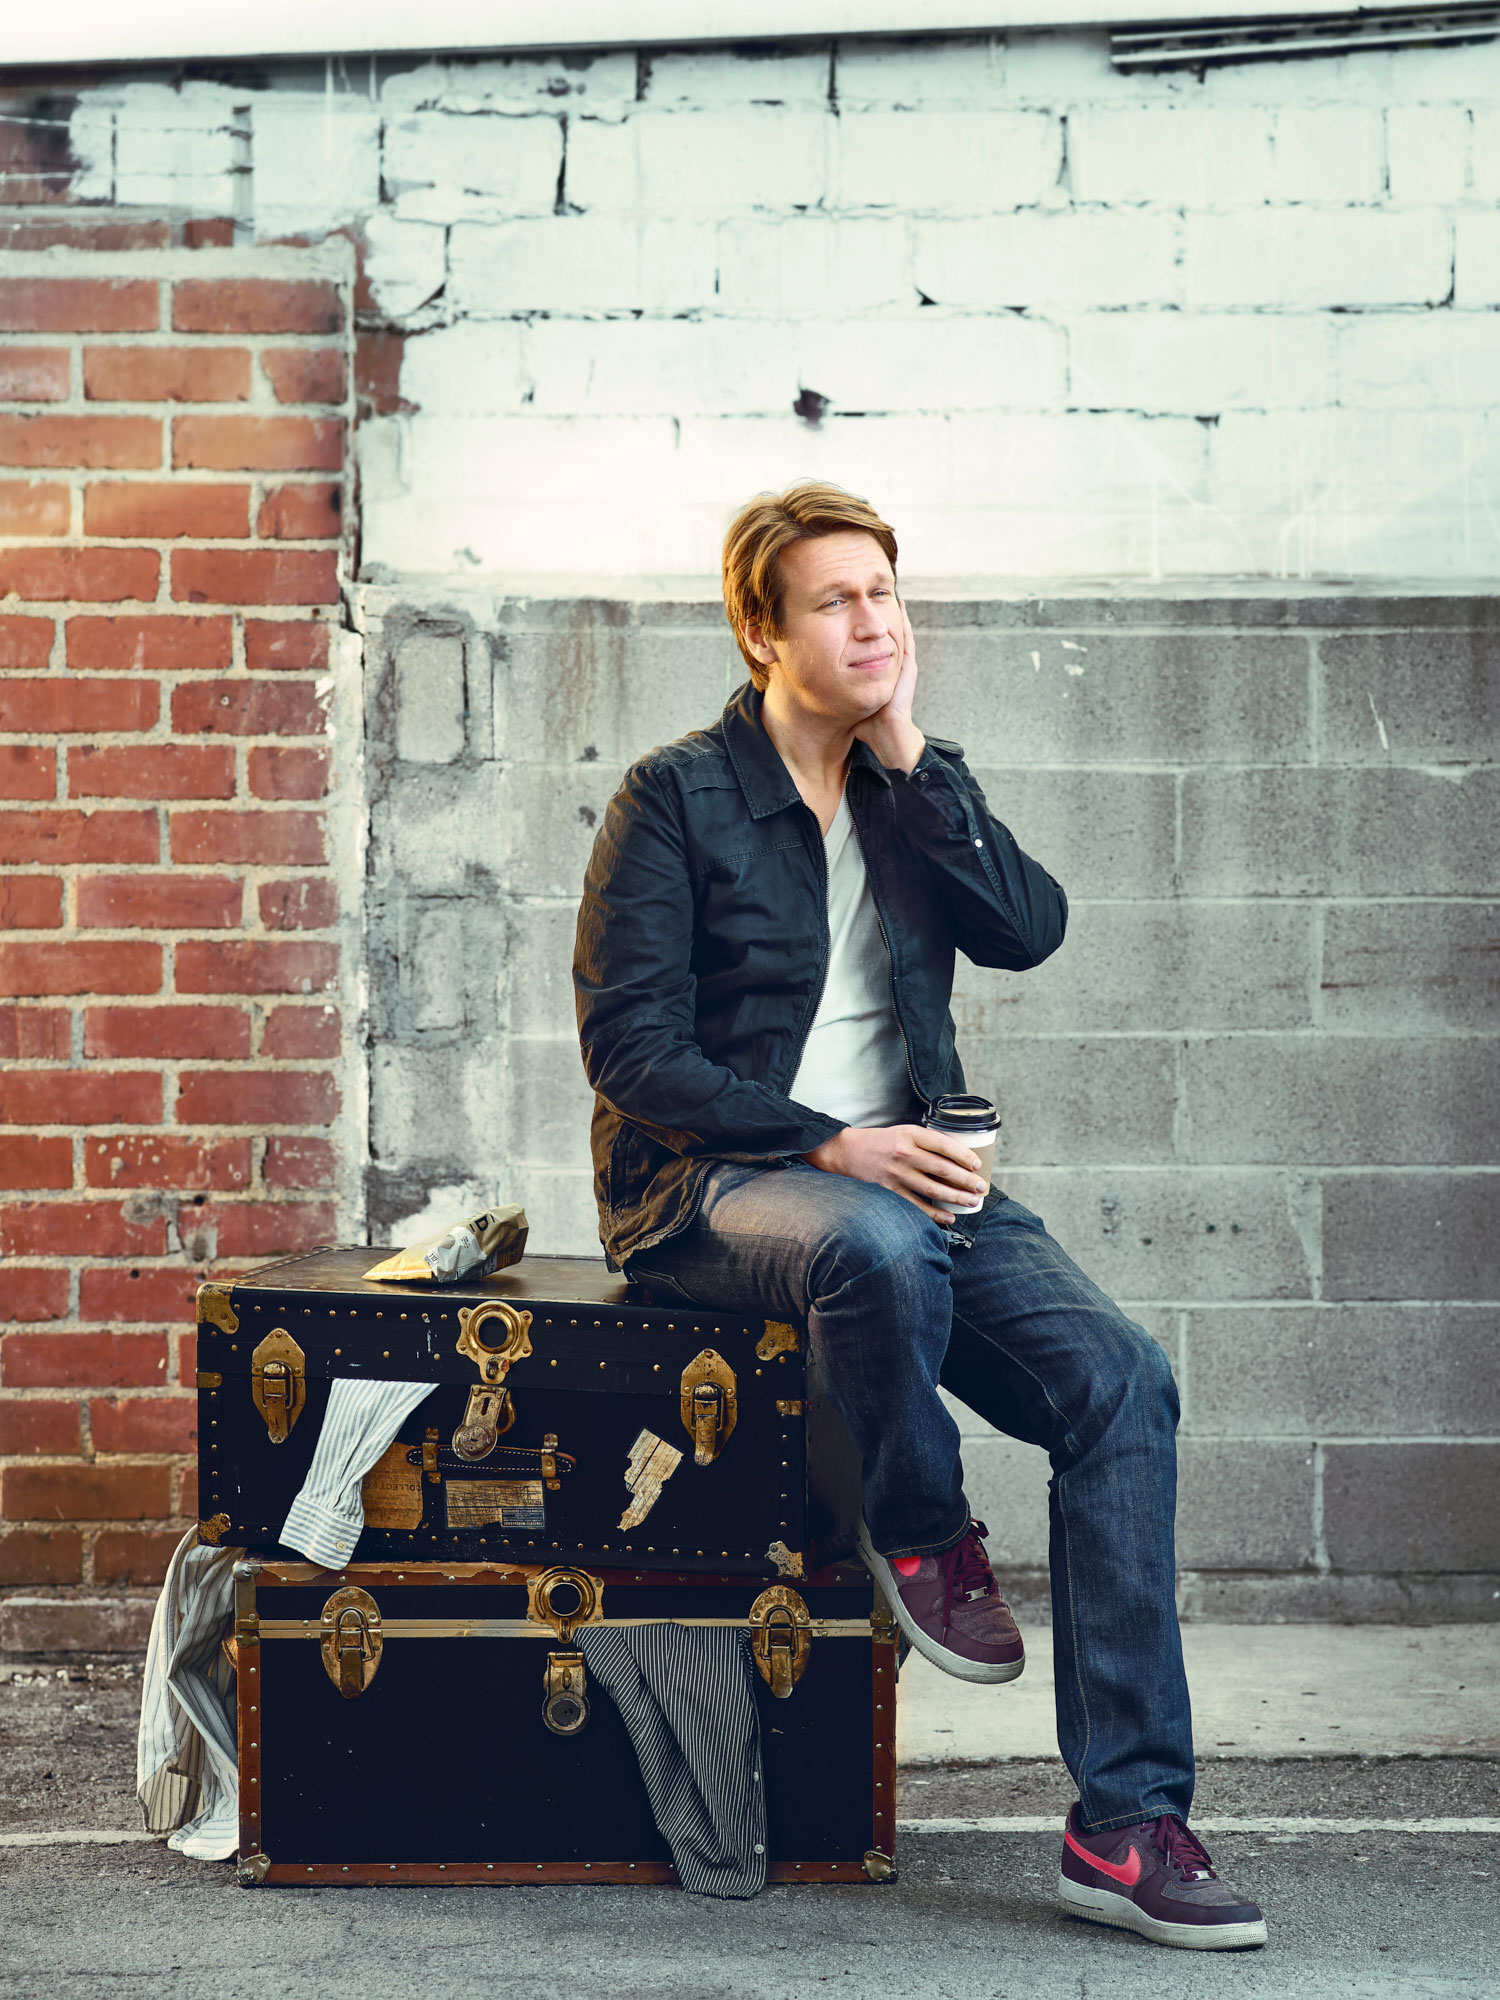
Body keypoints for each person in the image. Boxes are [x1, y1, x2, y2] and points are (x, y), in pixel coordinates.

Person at [573, 480, 1267, 1951]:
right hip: (714, 1192)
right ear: (763, 633)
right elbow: (632, 1052)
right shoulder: (674, 798)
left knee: (1123, 1383)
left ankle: (1126, 1825)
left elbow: (1029, 928)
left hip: (910, 1183)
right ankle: (924, 1528)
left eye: (884, 592)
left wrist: (914, 760)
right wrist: (834, 1144)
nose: (873, 621)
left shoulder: (910, 788)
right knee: (876, 1242)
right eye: (835, 600)